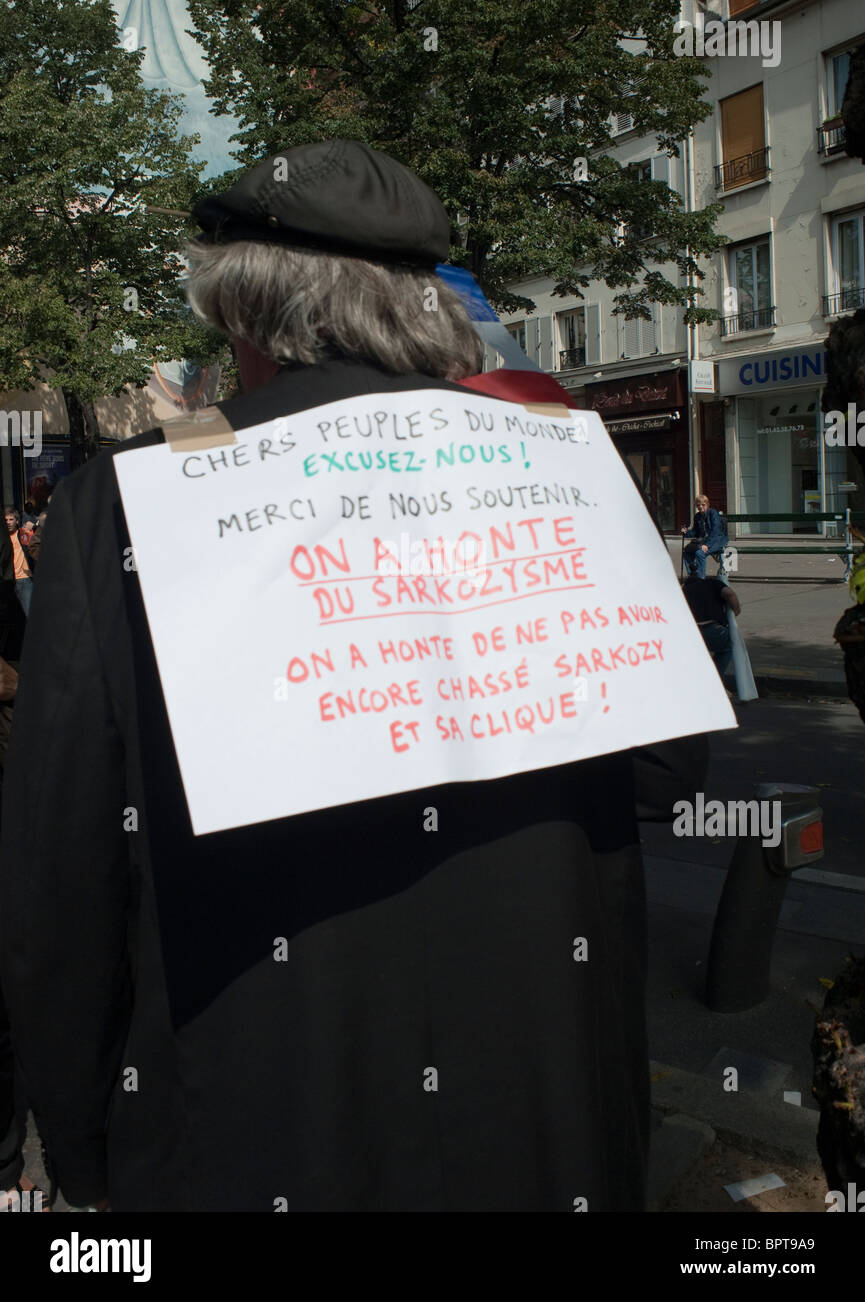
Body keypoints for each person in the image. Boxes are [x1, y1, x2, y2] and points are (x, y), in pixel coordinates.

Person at [0, 139, 706, 1213]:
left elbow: (64, 869)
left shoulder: (123, 503)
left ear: (242, 312)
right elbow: (668, 767)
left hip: (251, 1129)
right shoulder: (559, 463)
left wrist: (81, 1137)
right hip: (546, 1123)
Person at [682, 574, 741, 680]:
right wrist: (736, 611)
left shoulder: (683, 591)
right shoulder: (712, 583)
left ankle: (696, 678)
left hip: (691, 633)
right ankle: (715, 678)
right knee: (728, 646)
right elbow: (729, 593)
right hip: (712, 629)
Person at [681, 493, 727, 580]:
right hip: (703, 541)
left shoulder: (713, 513)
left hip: (716, 540)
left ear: (707, 504)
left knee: (700, 553)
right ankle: (693, 576)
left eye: (703, 504)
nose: (701, 507)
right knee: (686, 552)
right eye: (698, 505)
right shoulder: (697, 516)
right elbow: (695, 532)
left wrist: (707, 545)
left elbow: (715, 531)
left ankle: (701, 578)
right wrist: (686, 532)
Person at [3, 509, 33, 618]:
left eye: (11, 519)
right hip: (8, 582)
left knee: (30, 614)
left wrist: (34, 525)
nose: (8, 522)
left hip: (24, 580)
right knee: (13, 618)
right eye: (6, 520)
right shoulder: (3, 539)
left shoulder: (23, 533)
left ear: (17, 521)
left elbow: (36, 544)